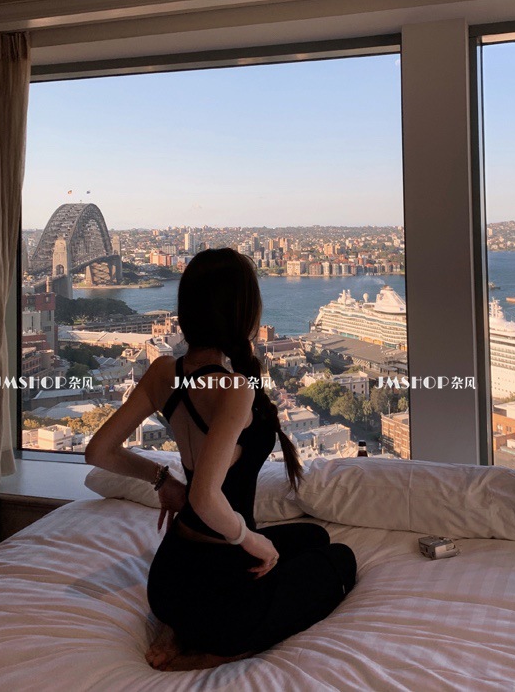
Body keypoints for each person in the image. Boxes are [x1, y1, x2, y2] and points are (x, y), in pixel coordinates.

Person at [85, 248, 357, 671]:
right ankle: (221, 651)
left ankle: (178, 626)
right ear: (242, 314)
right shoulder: (234, 389)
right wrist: (251, 540)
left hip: (170, 579)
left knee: (313, 537)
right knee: (341, 561)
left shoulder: (163, 371)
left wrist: (162, 480)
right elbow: (205, 498)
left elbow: (98, 451)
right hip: (226, 591)